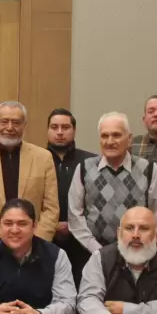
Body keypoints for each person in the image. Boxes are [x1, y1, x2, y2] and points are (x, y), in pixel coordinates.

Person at [0, 101, 59, 268]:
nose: (9, 127)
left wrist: (31, 244)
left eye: (16, 122)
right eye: (4, 121)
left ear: (24, 125)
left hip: (32, 257)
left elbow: (51, 208)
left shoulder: (43, 158)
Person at [0, 198, 77, 314]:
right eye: (8, 223)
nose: (14, 230)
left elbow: (68, 302)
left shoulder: (57, 255)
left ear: (34, 226)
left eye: (22, 224)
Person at [69, 112, 157, 255]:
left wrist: (139, 247)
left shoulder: (149, 170)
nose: (110, 141)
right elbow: (75, 217)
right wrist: (99, 251)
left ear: (129, 139)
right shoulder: (84, 168)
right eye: (104, 136)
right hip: (93, 255)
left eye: (116, 135)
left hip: (140, 254)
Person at [46, 108, 96, 287]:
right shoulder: (37, 160)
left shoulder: (91, 162)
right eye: (54, 127)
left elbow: (96, 202)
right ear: (47, 130)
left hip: (82, 241)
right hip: (46, 239)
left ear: (74, 131)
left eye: (65, 127)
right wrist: (51, 225)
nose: (60, 132)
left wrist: (73, 225)